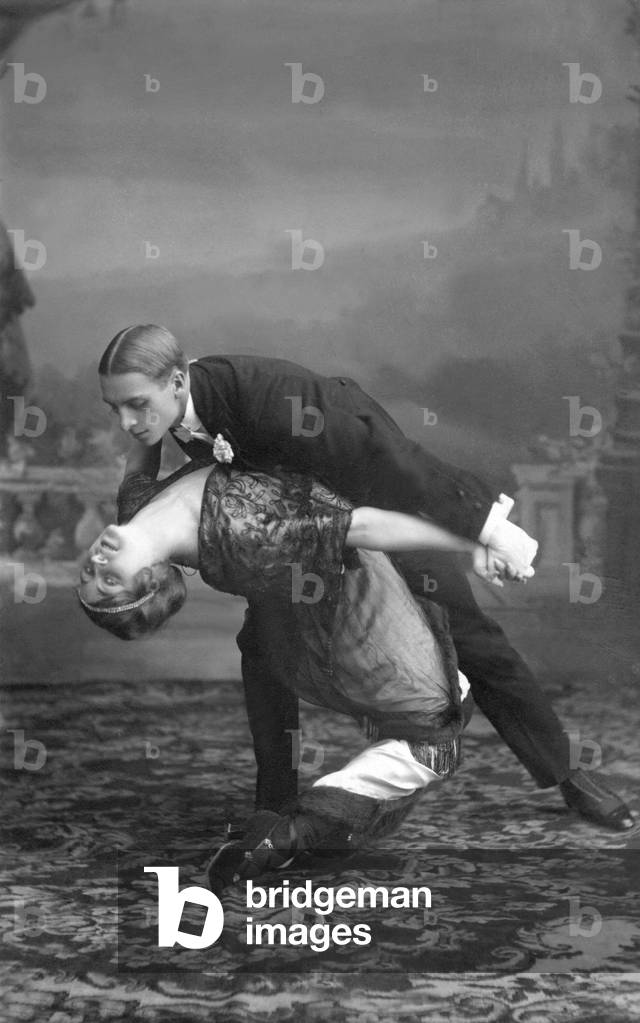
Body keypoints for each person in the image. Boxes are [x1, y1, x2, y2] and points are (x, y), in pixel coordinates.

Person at [96, 324, 634, 832]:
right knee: (263, 649)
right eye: (115, 408)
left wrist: (484, 531)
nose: (128, 423)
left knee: (472, 639)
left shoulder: (272, 395)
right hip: (297, 533)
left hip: (377, 504)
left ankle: (567, 773)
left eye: (137, 405)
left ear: (179, 381)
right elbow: (145, 455)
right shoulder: (165, 408)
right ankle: (274, 804)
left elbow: (395, 460)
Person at [77, 450, 480, 890]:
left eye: (88, 576)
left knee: (441, 710)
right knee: (441, 727)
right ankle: (297, 829)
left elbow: (143, 448)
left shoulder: (134, 510)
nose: (96, 565)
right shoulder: (234, 532)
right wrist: (476, 538)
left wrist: (182, 412)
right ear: (150, 580)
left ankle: (283, 819)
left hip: (304, 595)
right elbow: (344, 529)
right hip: (342, 603)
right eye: (109, 582)